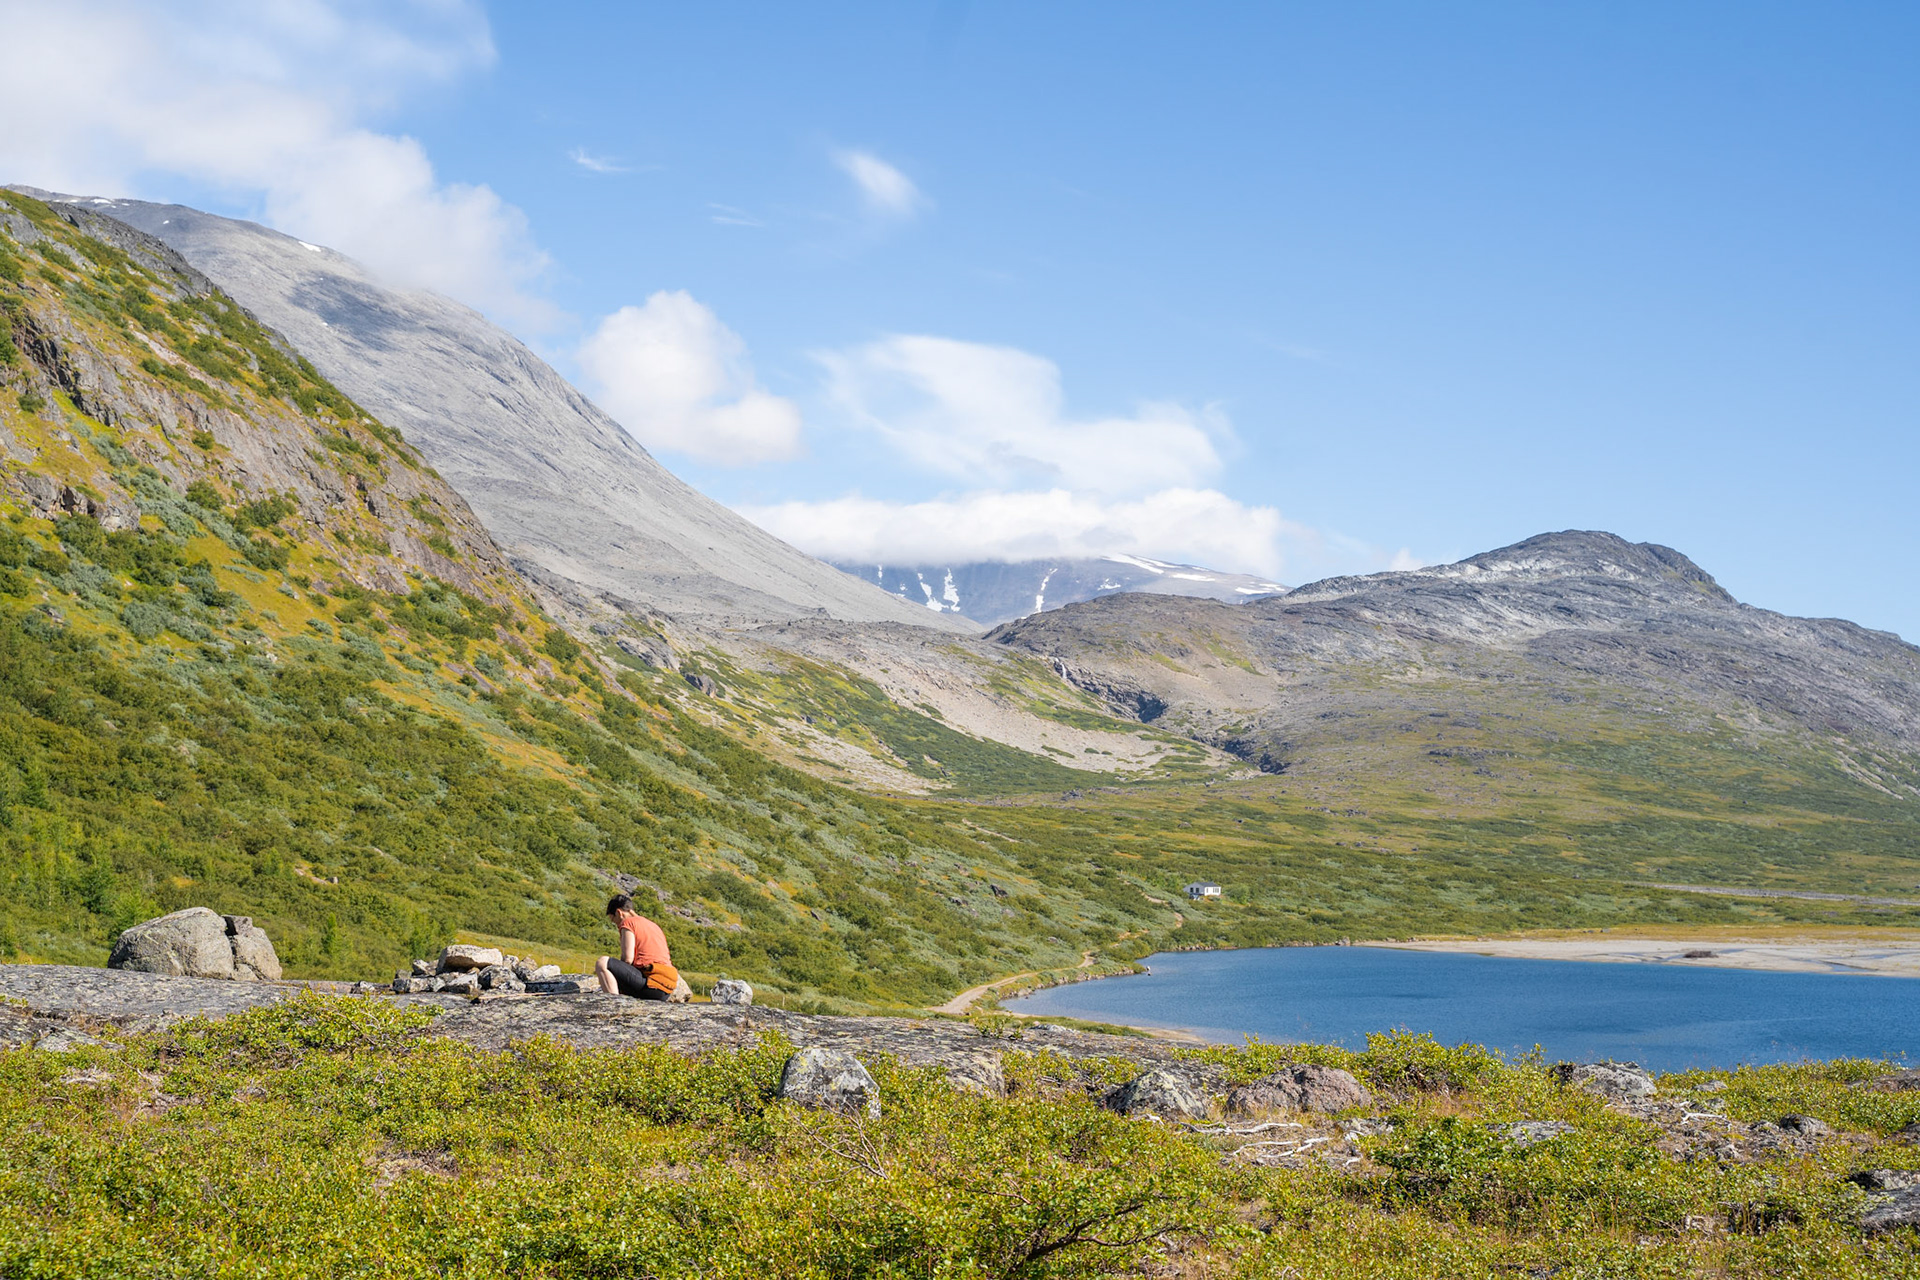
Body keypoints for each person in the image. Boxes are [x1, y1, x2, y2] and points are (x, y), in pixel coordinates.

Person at [596, 894, 680, 1000]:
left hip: (650, 983)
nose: (617, 925)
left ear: (619, 913)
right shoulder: (653, 925)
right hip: (666, 988)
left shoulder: (628, 923)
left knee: (602, 962)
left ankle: (614, 1005)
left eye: (614, 920)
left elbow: (627, 959)